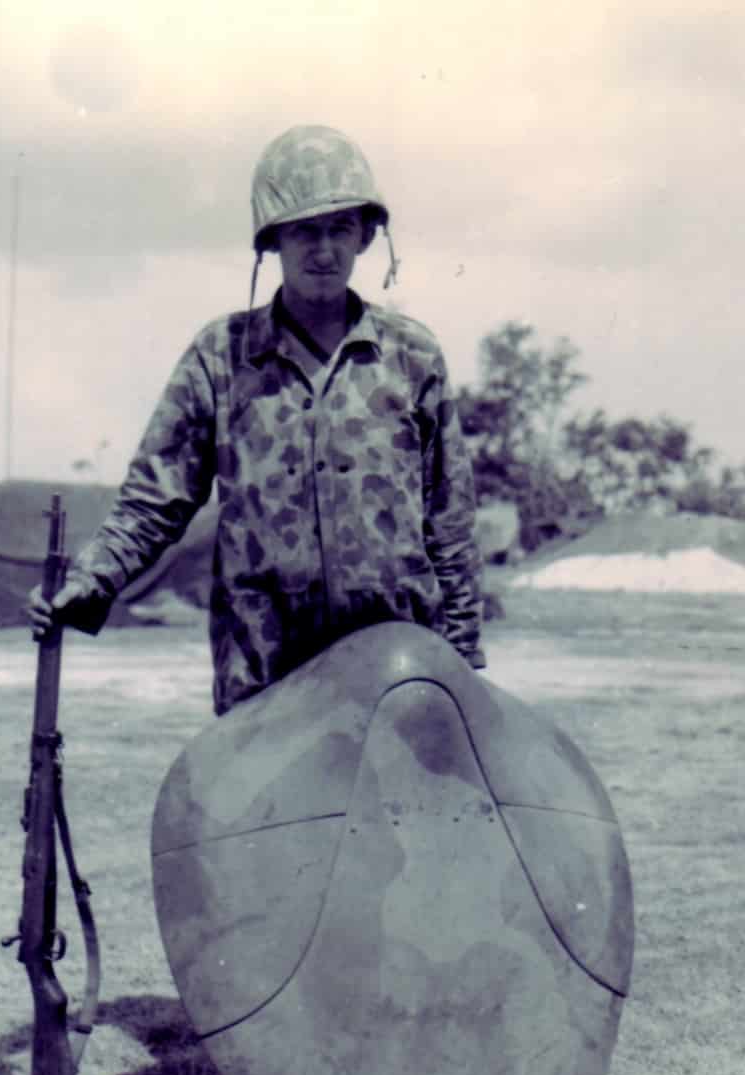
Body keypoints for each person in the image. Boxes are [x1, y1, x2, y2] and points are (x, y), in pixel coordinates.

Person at [27, 124, 486, 715]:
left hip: (399, 666)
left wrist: (465, 656)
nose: (324, 250)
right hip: (265, 666)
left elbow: (449, 519)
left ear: (366, 237)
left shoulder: (411, 356)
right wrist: (86, 583)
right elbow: (153, 501)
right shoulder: (220, 356)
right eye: (304, 232)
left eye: (339, 229)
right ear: (273, 242)